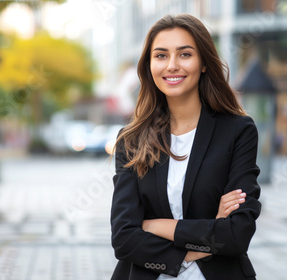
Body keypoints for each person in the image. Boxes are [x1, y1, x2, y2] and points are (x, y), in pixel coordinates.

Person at [110, 14, 261, 280]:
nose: (172, 65)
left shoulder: (238, 131)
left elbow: (236, 235)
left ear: (203, 63)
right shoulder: (131, 140)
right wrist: (208, 235)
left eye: (185, 54)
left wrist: (153, 226)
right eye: (161, 55)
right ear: (149, 65)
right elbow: (124, 239)